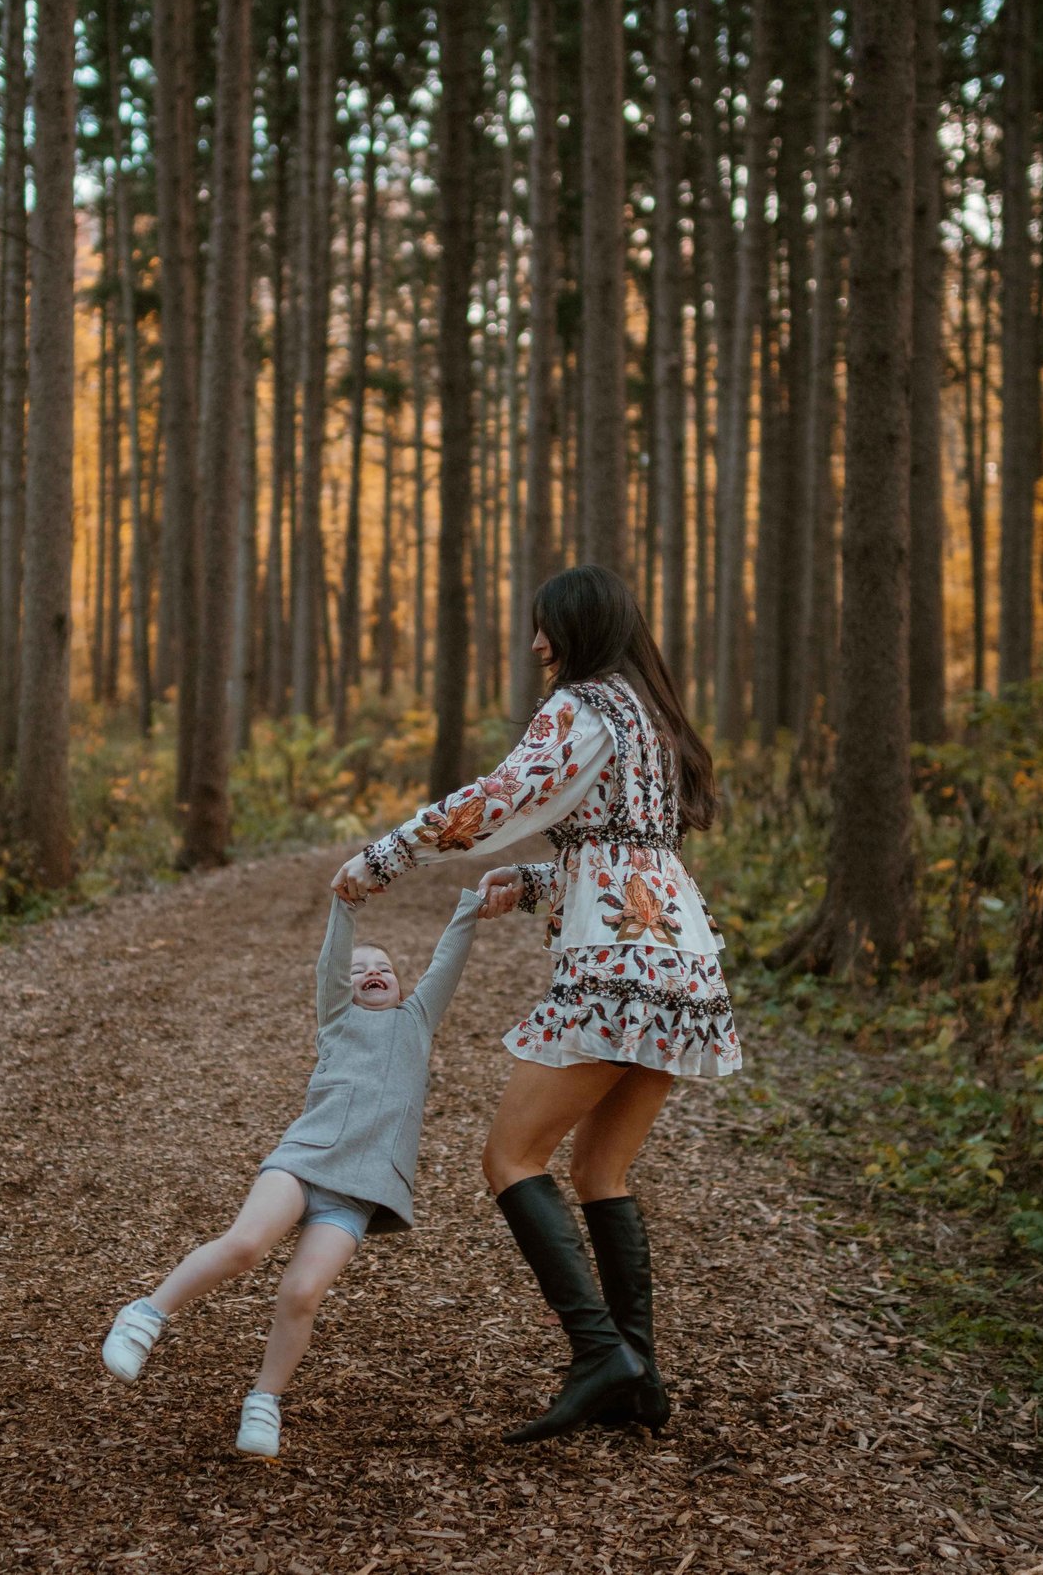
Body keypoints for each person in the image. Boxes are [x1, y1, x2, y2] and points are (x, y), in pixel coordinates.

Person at [333, 563, 736, 1442]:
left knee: (511, 1155)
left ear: (580, 630)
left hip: (618, 967)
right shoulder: (651, 716)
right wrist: (540, 879)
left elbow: (492, 801)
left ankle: (598, 1354)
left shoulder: (583, 707)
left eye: (546, 627)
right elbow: (630, 852)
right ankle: (639, 1377)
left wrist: (385, 858)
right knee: (602, 1172)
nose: (536, 645)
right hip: (682, 967)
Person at [100, 887, 486, 1459]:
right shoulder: (337, 1019)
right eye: (362, 969)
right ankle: (144, 1315)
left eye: (385, 969)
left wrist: (471, 906)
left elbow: (447, 960)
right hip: (304, 1162)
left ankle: (264, 1402)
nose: (372, 973)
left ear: (403, 987)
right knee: (246, 1245)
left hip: (359, 1193)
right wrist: (346, 907)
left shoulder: (417, 1021)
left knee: (302, 1292)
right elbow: (333, 962)